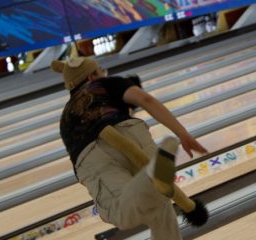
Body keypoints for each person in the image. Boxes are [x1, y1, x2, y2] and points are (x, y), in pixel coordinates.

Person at [51, 57, 208, 240]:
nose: (104, 72)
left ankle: (151, 176)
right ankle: (152, 175)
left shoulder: (66, 118)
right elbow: (145, 99)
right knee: (158, 200)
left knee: (123, 213)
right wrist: (183, 134)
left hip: (91, 154)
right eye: (100, 69)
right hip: (131, 132)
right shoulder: (108, 83)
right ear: (92, 76)